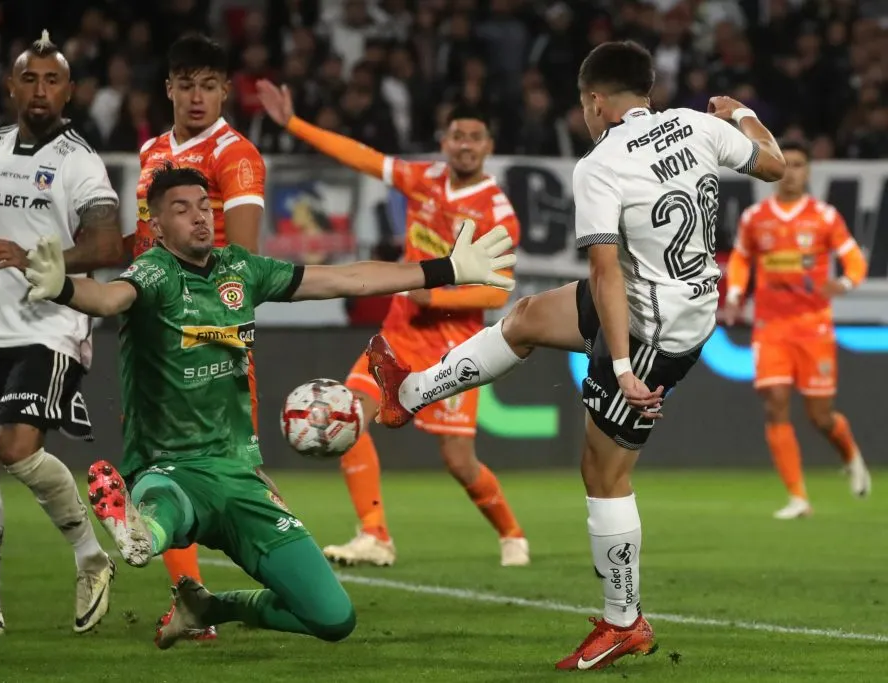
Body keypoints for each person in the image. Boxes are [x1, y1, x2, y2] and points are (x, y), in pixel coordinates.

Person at [364, 41, 786, 669]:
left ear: (594, 101)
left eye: (583, 106)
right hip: (674, 296)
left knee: (603, 474)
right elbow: (774, 164)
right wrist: (741, 112)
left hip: (652, 331)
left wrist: (620, 367)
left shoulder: (600, 164)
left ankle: (625, 621)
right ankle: (410, 394)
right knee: (528, 317)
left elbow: (605, 274)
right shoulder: (700, 126)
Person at [19, 165, 516, 648]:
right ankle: (140, 533)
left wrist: (446, 269)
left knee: (334, 618)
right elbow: (107, 298)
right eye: (180, 209)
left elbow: (348, 278)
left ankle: (208, 608)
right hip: (170, 467)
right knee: (166, 508)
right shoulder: (154, 274)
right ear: (156, 226)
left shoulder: (243, 270)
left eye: (203, 206)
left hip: (241, 476)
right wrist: (63, 287)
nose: (198, 217)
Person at [257, 80, 529, 568]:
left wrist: (439, 292)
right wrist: (293, 124)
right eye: (457, 135)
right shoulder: (422, 178)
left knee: (458, 461)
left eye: (475, 137)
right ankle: (375, 534)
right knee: (349, 415)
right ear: (444, 142)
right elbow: (362, 157)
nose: (465, 144)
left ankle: (511, 532)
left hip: (455, 343)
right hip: (399, 333)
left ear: (488, 146)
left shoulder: (499, 212)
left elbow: (499, 290)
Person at [0, 31, 125, 637]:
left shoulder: (79, 160)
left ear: (70, 91)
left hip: (53, 327)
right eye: (29, 79)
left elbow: (107, 245)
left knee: (14, 446)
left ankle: (91, 558)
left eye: (52, 80)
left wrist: (42, 259)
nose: (40, 90)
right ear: (11, 86)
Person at [130, 33, 274, 633]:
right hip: (149, 338)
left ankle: (283, 577)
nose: (197, 96)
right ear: (168, 88)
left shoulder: (236, 155)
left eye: (209, 85)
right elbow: (142, 244)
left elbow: (240, 260)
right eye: (186, 84)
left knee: (231, 472)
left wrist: (201, 325)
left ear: (224, 90)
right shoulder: (149, 152)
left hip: (206, 341)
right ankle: (193, 600)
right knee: (159, 469)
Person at [724, 140, 871, 519]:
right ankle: (798, 498)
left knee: (821, 416)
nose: (791, 171)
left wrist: (847, 284)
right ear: (776, 169)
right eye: (785, 164)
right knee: (774, 403)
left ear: (808, 171)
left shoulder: (823, 217)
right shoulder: (756, 218)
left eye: (799, 164)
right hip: (770, 327)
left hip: (814, 327)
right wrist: (738, 292)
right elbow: (740, 258)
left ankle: (850, 455)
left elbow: (854, 259)